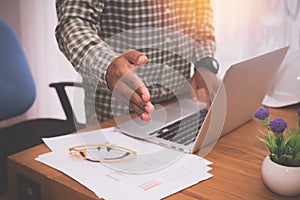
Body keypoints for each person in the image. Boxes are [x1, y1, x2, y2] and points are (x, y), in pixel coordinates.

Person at [55, 0, 220, 126]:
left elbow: (201, 10)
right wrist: (107, 65)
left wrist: (204, 62)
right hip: (116, 112)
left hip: (181, 103)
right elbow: (73, 21)